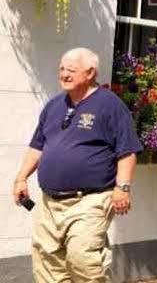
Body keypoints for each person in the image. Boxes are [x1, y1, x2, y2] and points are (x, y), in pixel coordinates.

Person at [13, 48, 142, 282]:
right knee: (47, 262)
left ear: (90, 72)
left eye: (70, 70)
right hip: (49, 201)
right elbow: (37, 147)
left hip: (90, 200)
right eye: (61, 69)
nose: (63, 74)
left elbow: (127, 152)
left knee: (83, 259)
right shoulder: (53, 106)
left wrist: (122, 188)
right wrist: (21, 178)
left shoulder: (110, 105)